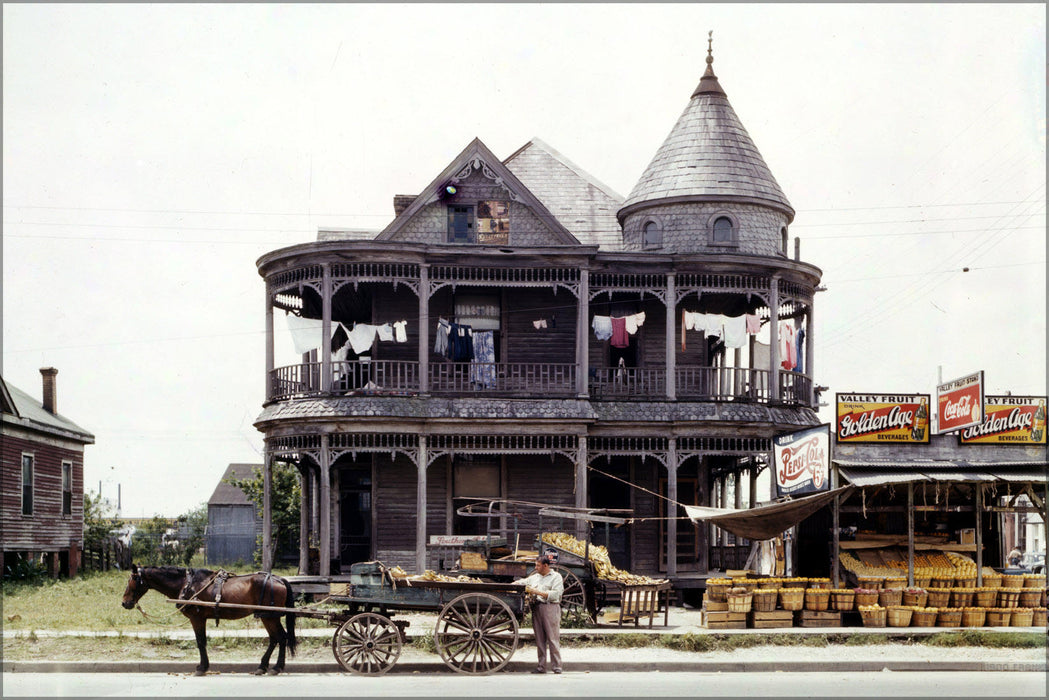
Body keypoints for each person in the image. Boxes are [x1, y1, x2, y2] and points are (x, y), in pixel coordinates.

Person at [514, 554, 564, 674]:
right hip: (537, 609)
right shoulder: (535, 577)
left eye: (538, 565)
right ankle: (541, 667)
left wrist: (537, 592)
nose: (536, 567)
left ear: (545, 565)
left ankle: (557, 666)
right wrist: (513, 584)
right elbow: (523, 582)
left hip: (550, 608)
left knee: (553, 638)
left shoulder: (556, 577)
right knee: (540, 639)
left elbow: (556, 594)